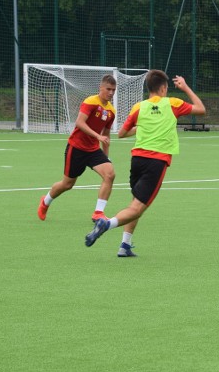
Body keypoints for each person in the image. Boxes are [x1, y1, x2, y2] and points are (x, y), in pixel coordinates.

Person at [84, 69, 205, 257]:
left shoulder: (139, 107)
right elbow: (201, 109)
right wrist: (185, 87)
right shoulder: (173, 103)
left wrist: (141, 127)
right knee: (137, 207)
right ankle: (107, 223)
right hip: (156, 162)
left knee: (137, 202)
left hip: (137, 161)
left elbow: (122, 134)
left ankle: (125, 245)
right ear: (164, 88)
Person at [37, 75, 118, 223]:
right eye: (108, 89)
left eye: (113, 90)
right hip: (76, 148)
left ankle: (98, 213)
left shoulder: (111, 111)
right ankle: (45, 201)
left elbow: (106, 135)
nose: (111, 93)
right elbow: (80, 123)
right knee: (67, 184)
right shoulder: (90, 102)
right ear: (101, 88)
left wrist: (106, 156)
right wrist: (97, 137)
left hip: (93, 150)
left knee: (110, 175)